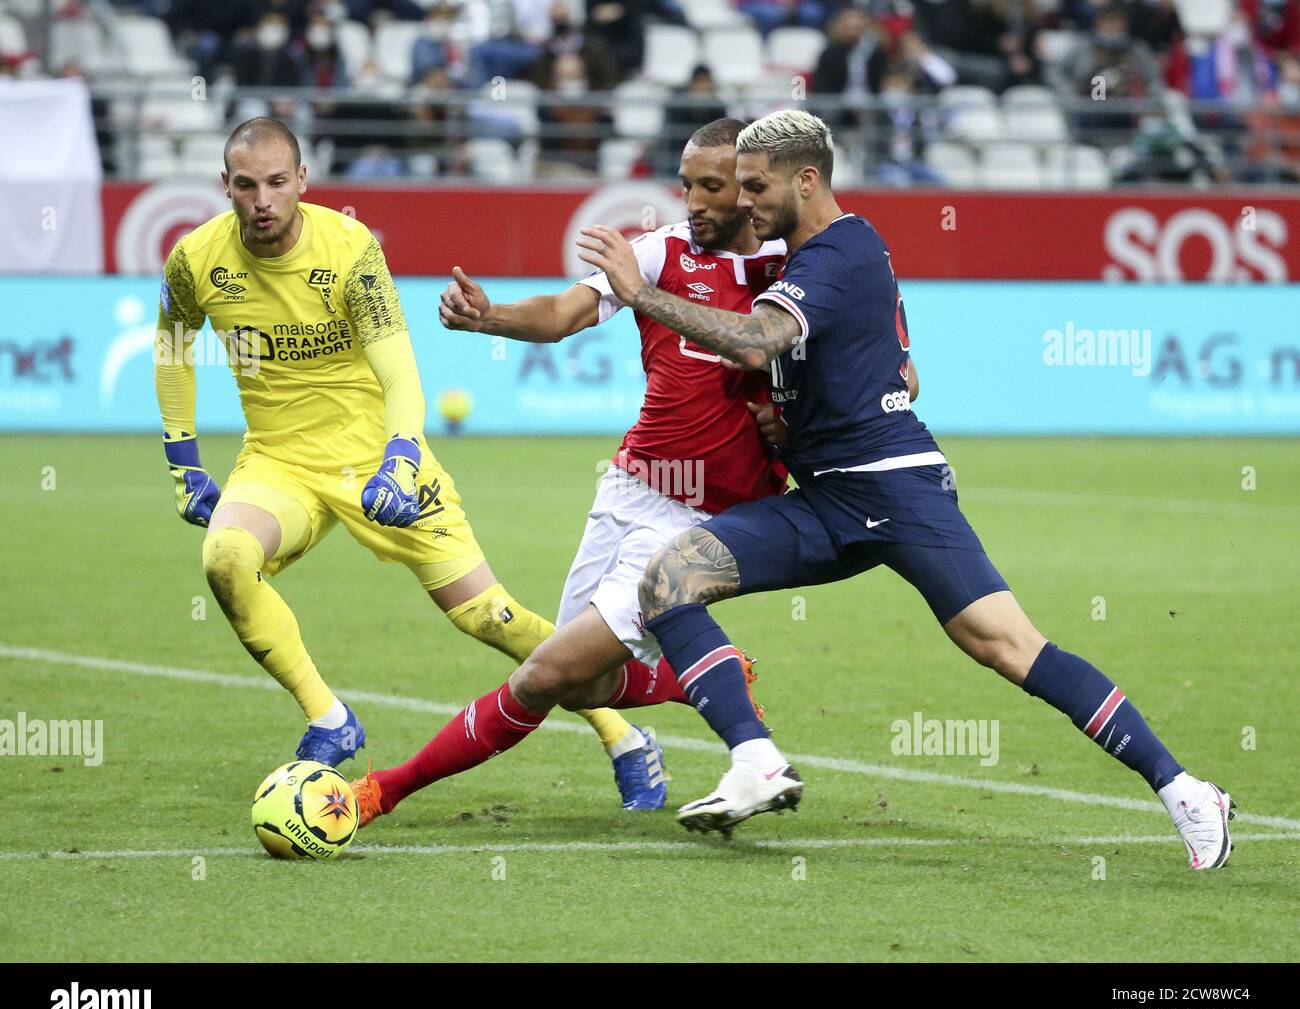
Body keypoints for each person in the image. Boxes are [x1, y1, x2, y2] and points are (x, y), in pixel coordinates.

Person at [577, 108, 1235, 870]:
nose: (741, 202)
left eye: (756, 186)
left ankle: (1186, 790)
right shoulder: (810, 260)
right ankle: (755, 761)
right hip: (827, 499)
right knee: (671, 576)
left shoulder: (838, 252)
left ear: (807, 178)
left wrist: (639, 291)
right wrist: (797, 418)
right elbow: (900, 370)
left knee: (1007, 645)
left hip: (896, 489)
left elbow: (759, 338)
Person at [350, 119, 917, 824]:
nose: (693, 202)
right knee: (586, 688)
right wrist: (490, 316)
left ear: (750, 192)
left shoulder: (801, 271)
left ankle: (380, 792)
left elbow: (896, 377)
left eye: (711, 187)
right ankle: (697, 679)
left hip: (703, 521)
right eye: (686, 186)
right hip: (628, 489)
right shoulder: (660, 252)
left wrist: (793, 422)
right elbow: (563, 313)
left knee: (544, 674)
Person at [153, 117, 658, 808]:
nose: (263, 200)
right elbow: (173, 346)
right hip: (279, 461)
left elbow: (399, 371)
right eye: (246, 186)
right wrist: (184, 458)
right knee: (225, 560)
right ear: (226, 186)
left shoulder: (351, 249)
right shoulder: (195, 259)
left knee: (488, 616)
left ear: (302, 181)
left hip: (378, 457)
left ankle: (622, 733)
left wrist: (400, 458)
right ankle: (329, 720)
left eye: (277, 183)